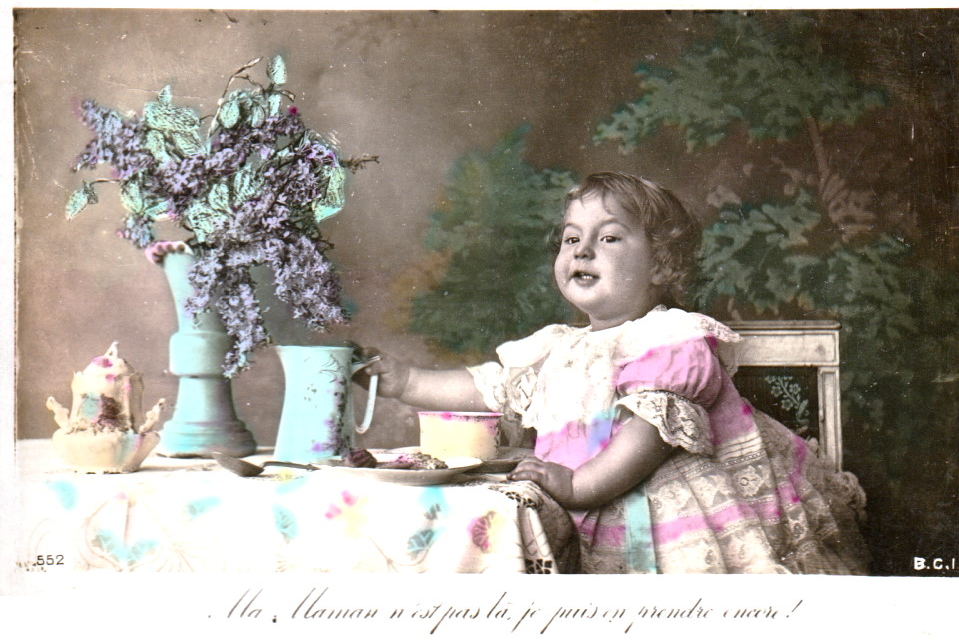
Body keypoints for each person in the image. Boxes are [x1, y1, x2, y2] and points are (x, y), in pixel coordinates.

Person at [361, 171, 870, 574]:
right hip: (586, 504)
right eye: (570, 239)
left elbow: (647, 436)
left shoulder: (670, 339)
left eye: (608, 238)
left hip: (658, 517)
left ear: (661, 266)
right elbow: (489, 388)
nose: (581, 250)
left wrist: (578, 486)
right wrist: (405, 382)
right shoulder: (556, 347)